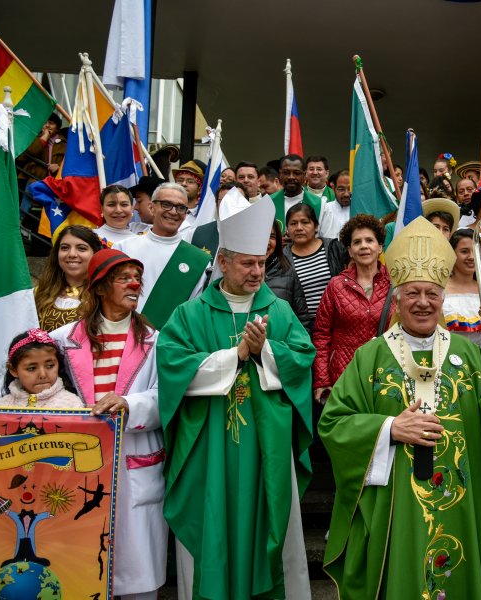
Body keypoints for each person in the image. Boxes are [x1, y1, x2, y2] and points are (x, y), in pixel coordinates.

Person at [319, 216, 481, 600]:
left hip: (460, 497)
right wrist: (390, 428)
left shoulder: (471, 355)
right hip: (395, 503)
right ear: (397, 298)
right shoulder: (370, 357)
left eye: (431, 294)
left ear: (443, 298)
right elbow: (335, 423)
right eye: (412, 294)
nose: (423, 303)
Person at [157, 197, 315, 600]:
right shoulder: (190, 314)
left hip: (268, 445)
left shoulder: (277, 311)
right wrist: (236, 355)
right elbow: (173, 366)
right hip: (209, 443)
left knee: (270, 522)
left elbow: (302, 361)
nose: (257, 272)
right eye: (247, 263)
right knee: (213, 524)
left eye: (261, 263)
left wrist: (265, 352)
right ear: (223, 263)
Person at [51, 248, 168, 599]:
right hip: (76, 466)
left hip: (134, 464)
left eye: (137, 278)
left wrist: (130, 405)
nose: (135, 284)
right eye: (123, 278)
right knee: (79, 568)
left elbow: (169, 396)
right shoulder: (61, 339)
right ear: (100, 288)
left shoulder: (157, 340)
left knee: (137, 576)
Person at [313, 214, 392, 404]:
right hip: (343, 376)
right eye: (357, 242)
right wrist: (322, 380)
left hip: (385, 375)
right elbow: (321, 335)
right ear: (349, 250)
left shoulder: (395, 285)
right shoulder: (336, 286)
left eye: (369, 240)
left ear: (380, 246)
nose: (364, 246)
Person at [114, 182, 210, 330]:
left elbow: (194, 312)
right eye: (166, 204)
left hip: (169, 341)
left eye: (181, 208)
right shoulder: (123, 248)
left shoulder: (199, 261)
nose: (173, 212)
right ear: (152, 208)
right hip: (122, 333)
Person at [283, 203, 346, 330]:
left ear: (316, 226)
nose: (299, 228)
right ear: (287, 228)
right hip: (304, 327)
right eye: (293, 223)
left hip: (338, 321)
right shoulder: (282, 258)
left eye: (305, 222)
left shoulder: (334, 248)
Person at [443, 229, 481, 358]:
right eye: (464, 251)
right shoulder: (440, 289)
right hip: (450, 359)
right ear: (452, 254)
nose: (471, 256)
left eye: (476, 251)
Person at [0, 329, 82, 408]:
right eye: (32, 368)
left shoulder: (71, 405)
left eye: (50, 366)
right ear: (13, 370)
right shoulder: (1, 407)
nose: (43, 375)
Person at [35, 225, 103, 331]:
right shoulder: (37, 293)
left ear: (95, 253)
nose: (71, 254)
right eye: (65, 248)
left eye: (81, 248)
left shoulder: (105, 294)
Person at [265, 218, 311, 331]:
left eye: (271, 237)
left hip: (281, 345)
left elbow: (302, 320)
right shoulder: (238, 273)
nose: (266, 242)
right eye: (261, 235)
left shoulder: (288, 273)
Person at [272, 154, 323, 230]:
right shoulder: (269, 202)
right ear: (280, 174)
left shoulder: (320, 204)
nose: (291, 177)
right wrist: (278, 240)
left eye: (296, 173)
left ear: (304, 174)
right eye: (286, 172)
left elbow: (325, 237)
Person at [16, 113, 65, 184]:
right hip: (34, 180)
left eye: (51, 123)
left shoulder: (64, 144)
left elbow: (70, 162)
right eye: (45, 122)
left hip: (55, 183)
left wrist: (59, 166)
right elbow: (32, 151)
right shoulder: (33, 138)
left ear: (57, 128)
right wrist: (44, 137)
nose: (47, 125)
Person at [317, 169, 351, 239]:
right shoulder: (323, 209)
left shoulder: (362, 210)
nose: (346, 194)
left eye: (350, 189)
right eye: (341, 189)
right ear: (333, 188)